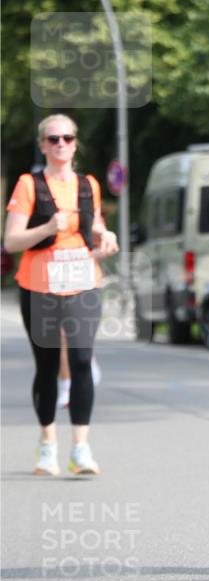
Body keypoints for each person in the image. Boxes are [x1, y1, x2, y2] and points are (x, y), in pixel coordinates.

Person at [4, 114, 119, 476]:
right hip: (40, 286)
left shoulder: (88, 184)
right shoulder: (28, 184)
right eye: (53, 139)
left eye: (67, 138)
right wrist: (48, 227)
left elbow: (93, 223)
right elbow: (11, 241)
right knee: (49, 366)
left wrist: (105, 235)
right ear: (42, 145)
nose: (60, 145)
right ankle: (47, 443)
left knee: (82, 361)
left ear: (75, 143)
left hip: (84, 282)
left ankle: (80, 448)